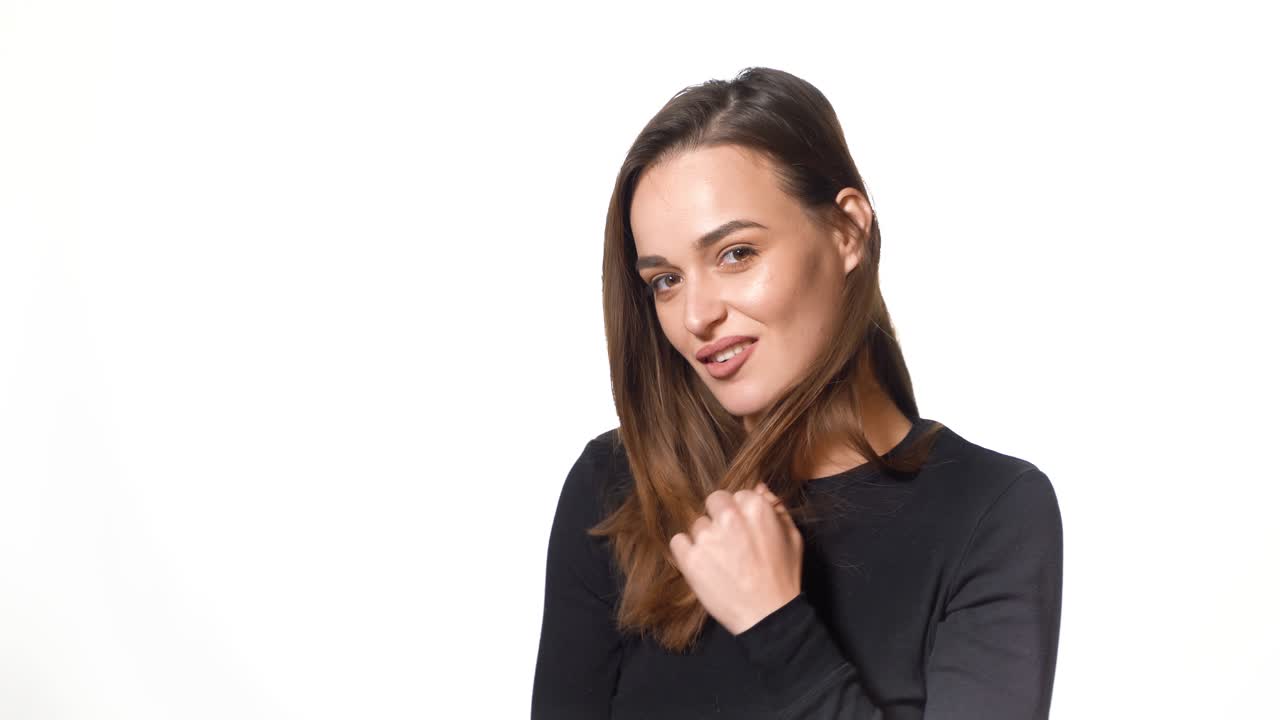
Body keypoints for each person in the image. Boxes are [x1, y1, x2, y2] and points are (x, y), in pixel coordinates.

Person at [531, 67, 1063, 720]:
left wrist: (776, 624)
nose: (696, 315)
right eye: (666, 280)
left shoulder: (990, 511)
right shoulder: (619, 488)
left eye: (735, 254)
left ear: (847, 231)